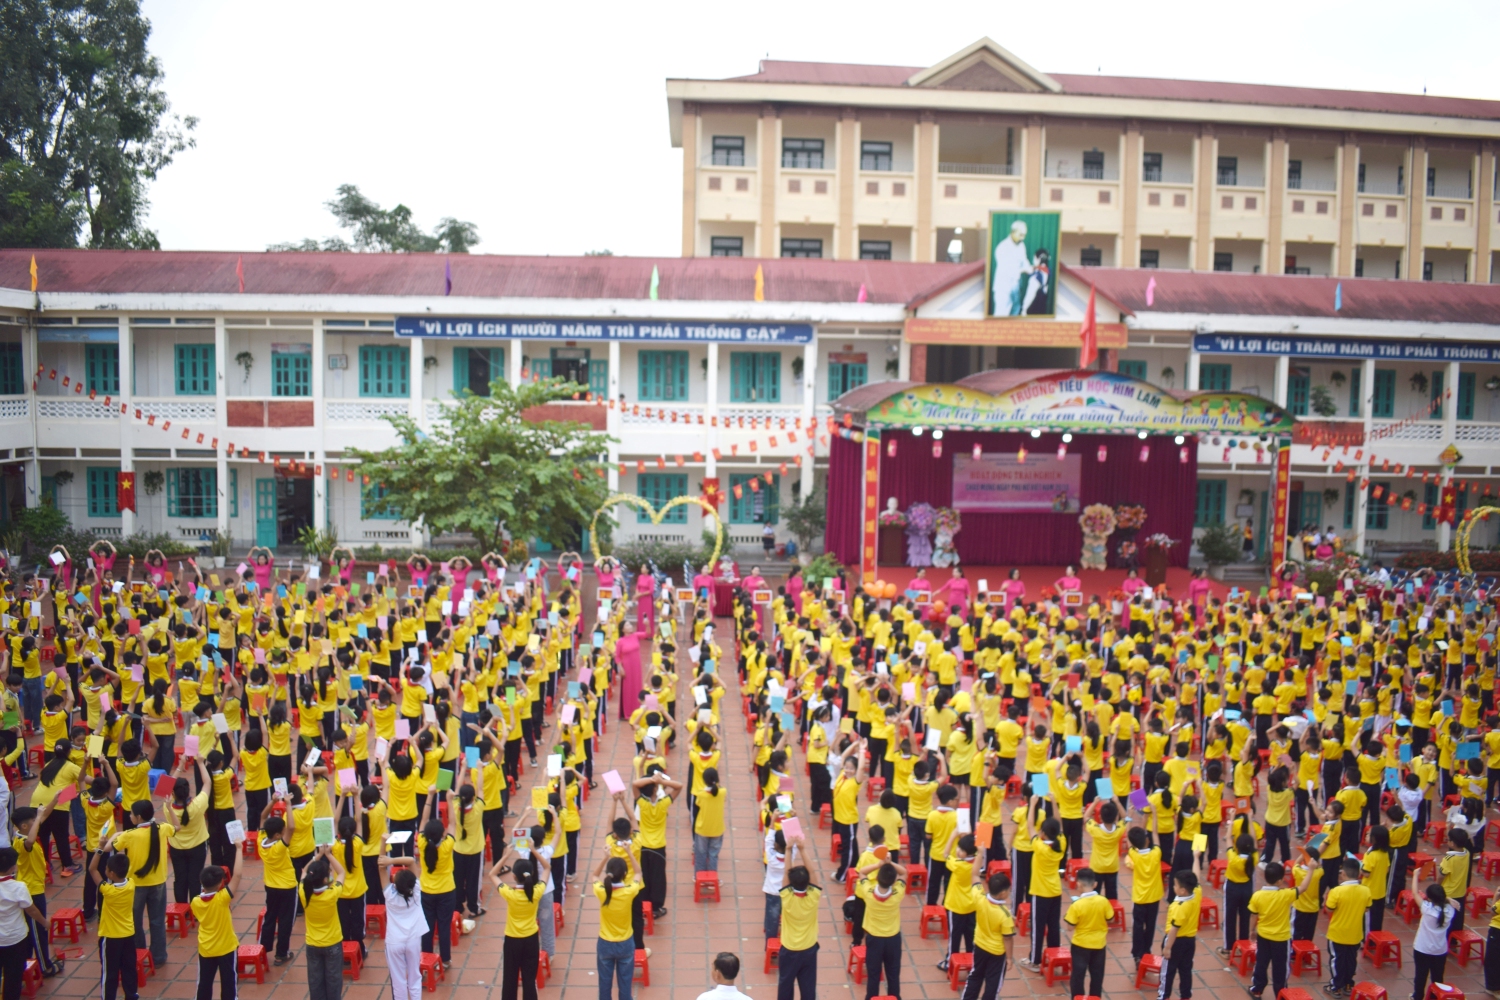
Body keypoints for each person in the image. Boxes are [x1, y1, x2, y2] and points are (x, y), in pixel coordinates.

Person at [113, 800, 172, 968]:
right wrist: (169, 808)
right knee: (157, 921)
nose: (129, 816)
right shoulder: (162, 828)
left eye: (131, 814)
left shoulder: (129, 835)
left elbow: (110, 847)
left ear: (138, 817)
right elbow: (177, 828)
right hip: (158, 882)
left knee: (135, 921)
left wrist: (112, 837)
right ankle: (158, 956)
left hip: (136, 885)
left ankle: (138, 954)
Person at [491, 853, 543, 1000]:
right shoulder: (536, 892)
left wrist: (506, 855)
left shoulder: (510, 894)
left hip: (512, 941)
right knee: (529, 980)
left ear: (514, 876)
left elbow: (492, 874)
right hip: (531, 940)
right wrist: (533, 850)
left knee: (509, 979)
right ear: (532, 874)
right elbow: (547, 868)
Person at [854, 859, 907, 999]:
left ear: (877, 878)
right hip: (893, 939)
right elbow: (904, 873)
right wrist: (890, 862)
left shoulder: (868, 893)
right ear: (893, 881)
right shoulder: (898, 893)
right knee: (893, 974)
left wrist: (878, 864)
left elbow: (862, 872)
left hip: (874, 939)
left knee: (873, 975)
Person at [594, 853, 644, 1000]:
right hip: (625, 943)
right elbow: (638, 872)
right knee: (625, 985)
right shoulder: (629, 891)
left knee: (604, 984)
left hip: (605, 943)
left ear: (608, 873)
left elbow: (594, 876)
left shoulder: (601, 891)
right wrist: (629, 852)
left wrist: (605, 857)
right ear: (624, 874)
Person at [191, 862, 243, 1000]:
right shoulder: (222, 899)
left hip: (206, 948)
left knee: (204, 984)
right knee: (229, 985)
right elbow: (237, 875)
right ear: (220, 883)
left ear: (202, 882)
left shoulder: (195, 902)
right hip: (226, 948)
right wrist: (238, 850)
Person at [90, 851, 138, 1000]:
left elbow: (92, 869)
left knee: (110, 973)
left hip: (111, 937)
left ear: (111, 873)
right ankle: (131, 995)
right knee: (129, 969)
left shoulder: (108, 890)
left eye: (106, 868)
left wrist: (99, 849)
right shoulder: (131, 884)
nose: (105, 870)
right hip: (128, 934)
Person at [0, 848, 45, 1000]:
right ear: (13, 867)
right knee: (13, 978)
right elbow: (31, 910)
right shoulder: (18, 887)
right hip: (15, 939)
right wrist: (44, 922)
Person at [381, 856, 427, 1000]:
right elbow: (411, 861)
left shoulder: (389, 895)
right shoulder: (416, 890)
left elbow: (380, 865)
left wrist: (386, 859)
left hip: (394, 942)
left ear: (395, 885)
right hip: (413, 940)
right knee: (415, 977)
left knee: (398, 981)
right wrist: (391, 860)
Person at [776, 848, 820, 1000]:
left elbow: (786, 873)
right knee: (808, 988)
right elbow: (812, 872)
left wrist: (788, 849)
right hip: (809, 949)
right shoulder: (813, 896)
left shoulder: (787, 897)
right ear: (808, 882)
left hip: (789, 949)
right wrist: (802, 849)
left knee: (785, 986)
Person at [1324, 857, 1372, 996]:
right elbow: (1367, 908)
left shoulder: (1336, 891)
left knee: (1337, 961)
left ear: (1343, 873)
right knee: (1351, 960)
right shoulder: (1366, 891)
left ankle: (1336, 987)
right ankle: (1348, 985)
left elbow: (1329, 909)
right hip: (1355, 933)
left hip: (1337, 933)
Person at [1064, 868, 1112, 999]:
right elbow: (1110, 918)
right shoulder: (1103, 901)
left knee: (1078, 977)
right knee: (1097, 977)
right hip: (1099, 945)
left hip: (1080, 945)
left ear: (1078, 884)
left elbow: (1070, 927)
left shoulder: (1077, 905)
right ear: (1095, 884)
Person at [1158, 870, 1201, 1000]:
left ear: (1182, 890)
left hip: (1175, 942)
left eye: (1175, 885)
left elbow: (1174, 929)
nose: (1173, 887)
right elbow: (1197, 877)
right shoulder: (1197, 893)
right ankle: (1185, 995)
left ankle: (1164, 996)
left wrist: (1167, 948)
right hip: (1190, 941)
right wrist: (1196, 859)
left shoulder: (1180, 907)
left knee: (1168, 971)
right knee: (1186, 970)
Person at [1413, 882, 1459, 1000]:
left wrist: (1415, 875)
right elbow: (1444, 902)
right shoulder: (1450, 910)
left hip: (1422, 949)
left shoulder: (1427, 909)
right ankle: (1435, 997)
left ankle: (1417, 997)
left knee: (1420, 976)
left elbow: (1415, 893)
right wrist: (1448, 899)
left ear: (1429, 899)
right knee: (1438, 977)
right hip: (1440, 950)